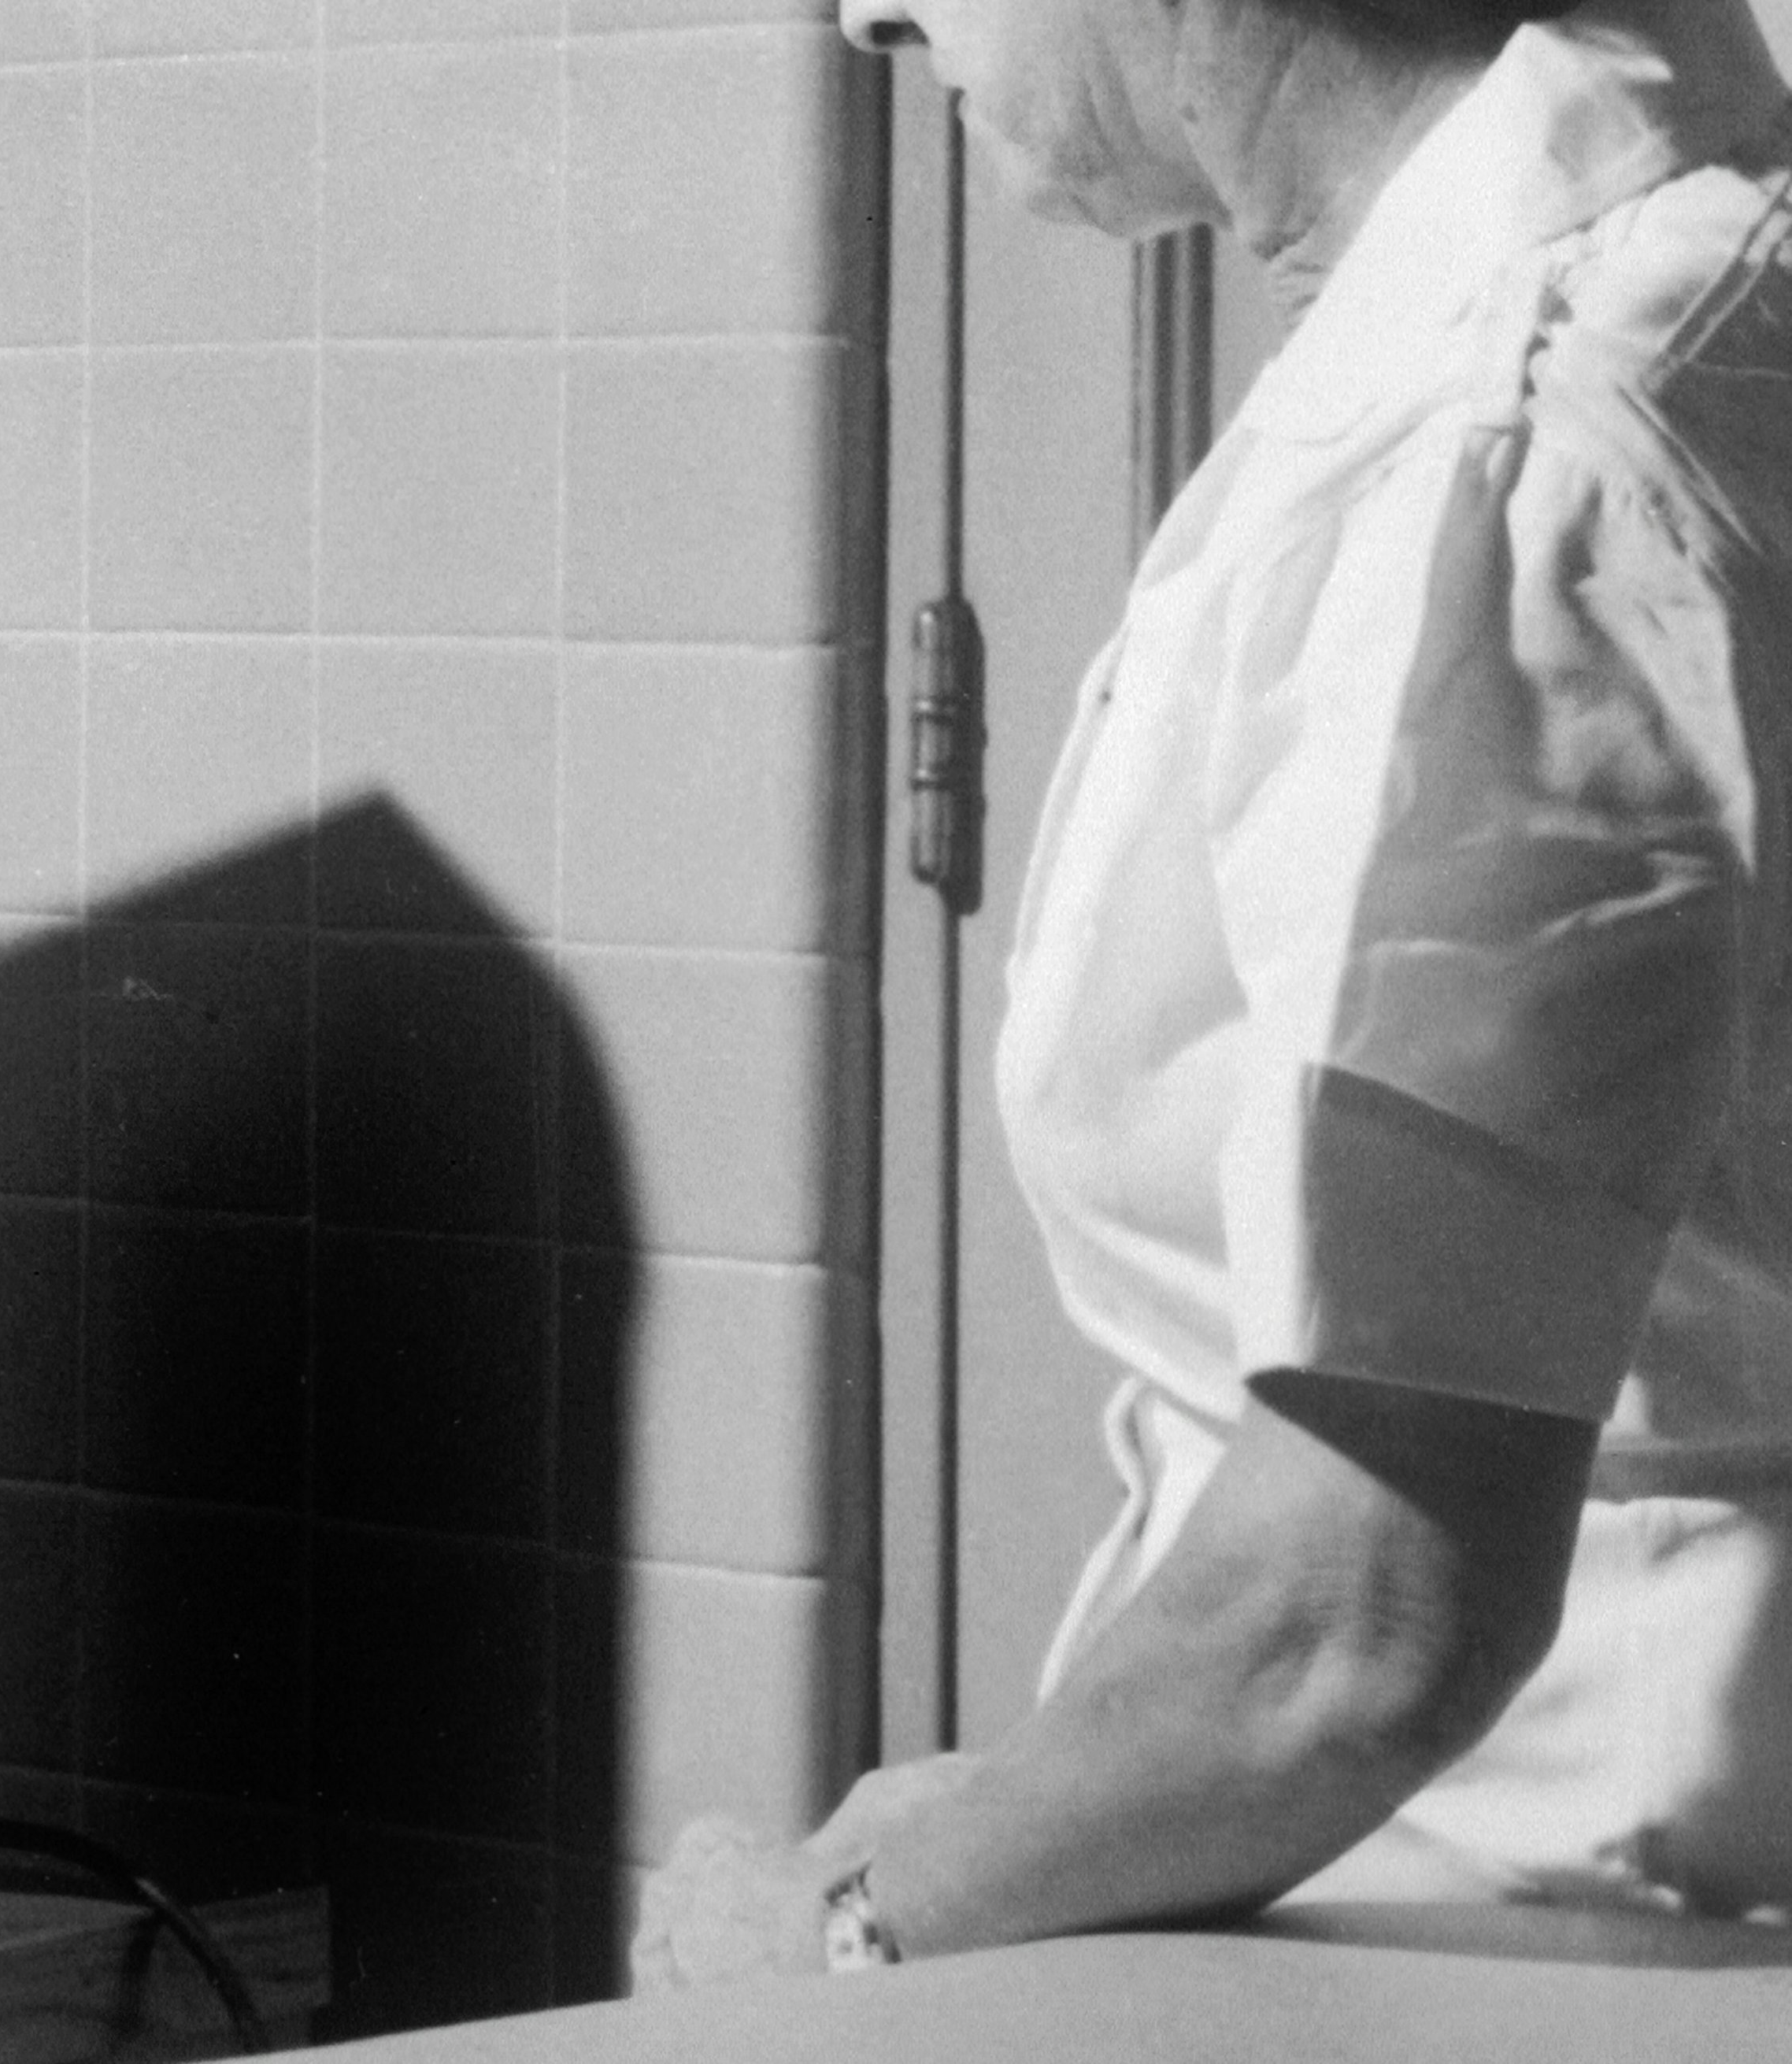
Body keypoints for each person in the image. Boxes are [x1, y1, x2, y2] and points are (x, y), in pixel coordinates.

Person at [640, 0, 1792, 1985]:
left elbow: (1366, 1610)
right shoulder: (1590, 313)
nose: (862, 10)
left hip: (1547, 1927)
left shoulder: (1535, 442)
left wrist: (827, 1933)